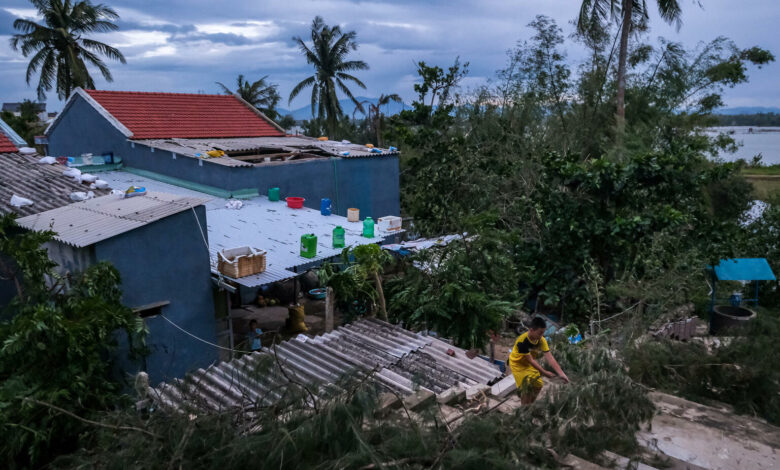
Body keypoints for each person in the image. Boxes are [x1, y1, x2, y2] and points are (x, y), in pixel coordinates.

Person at [508, 316, 569, 404]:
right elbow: (531, 361)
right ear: (531, 330)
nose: (541, 336)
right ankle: (524, 410)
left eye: (543, 333)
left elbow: (550, 358)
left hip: (528, 364)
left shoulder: (541, 340)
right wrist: (545, 372)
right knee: (527, 387)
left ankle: (529, 406)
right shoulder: (522, 341)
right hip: (518, 365)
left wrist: (562, 374)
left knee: (538, 385)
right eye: (539, 333)